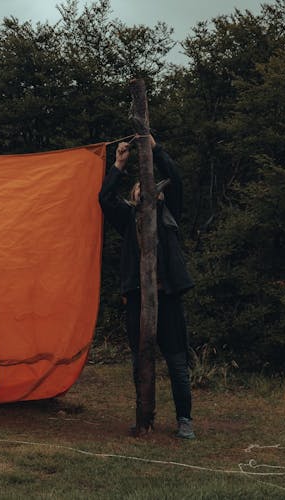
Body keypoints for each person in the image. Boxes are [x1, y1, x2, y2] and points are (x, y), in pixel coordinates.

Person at [98, 135, 195, 439]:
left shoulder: (169, 214)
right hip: (138, 299)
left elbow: (175, 179)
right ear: (134, 195)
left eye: (151, 187)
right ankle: (143, 418)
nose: (146, 190)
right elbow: (104, 198)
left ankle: (184, 420)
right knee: (139, 360)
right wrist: (118, 164)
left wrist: (156, 148)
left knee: (177, 362)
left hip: (167, 298)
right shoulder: (128, 219)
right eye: (139, 187)